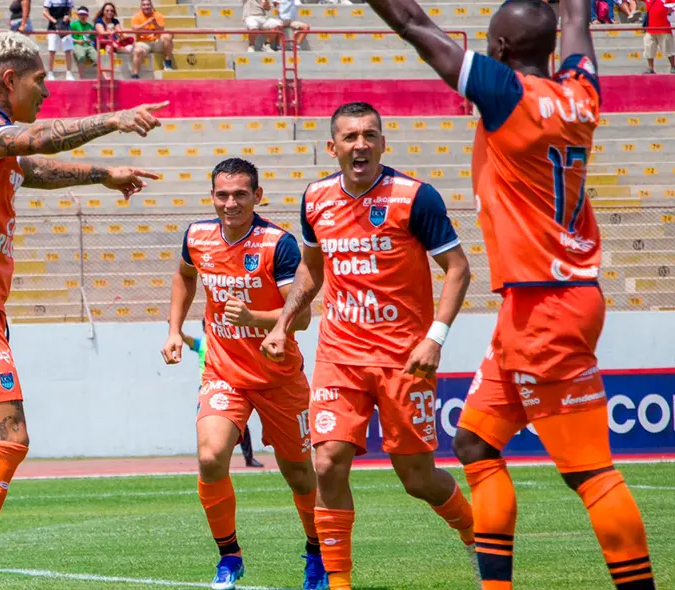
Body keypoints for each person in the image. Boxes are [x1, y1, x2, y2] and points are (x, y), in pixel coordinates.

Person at [356, 0, 657, 588]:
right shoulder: (581, 93)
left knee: (589, 472)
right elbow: (576, 16)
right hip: (545, 301)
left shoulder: (508, 94)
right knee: (474, 441)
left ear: (497, 51)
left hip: (547, 305)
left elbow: (414, 25)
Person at [0, 31, 167, 590]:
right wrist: (114, 118)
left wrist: (104, 173)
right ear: (9, 80)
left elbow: (37, 169)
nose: (46, 91)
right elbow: (41, 141)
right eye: (40, 80)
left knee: (0, 442)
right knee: (9, 438)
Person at [262, 102, 475, 590]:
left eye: (370, 135)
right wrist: (282, 323)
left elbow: (459, 269)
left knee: (418, 479)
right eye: (351, 136)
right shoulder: (315, 198)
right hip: (339, 355)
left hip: (404, 359)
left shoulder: (414, 198)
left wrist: (434, 339)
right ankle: (339, 584)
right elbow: (312, 270)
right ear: (332, 147)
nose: (361, 144)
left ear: (383, 143)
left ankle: (473, 532)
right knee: (327, 461)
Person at [162, 158, 326, 590]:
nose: (230, 203)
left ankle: (316, 554)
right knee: (211, 455)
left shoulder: (280, 244)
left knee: (299, 474)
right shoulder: (196, 236)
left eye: (239, 194)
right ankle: (230, 558)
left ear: (258, 195)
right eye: (222, 194)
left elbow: (304, 316)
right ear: (211, 196)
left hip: (279, 377)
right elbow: (184, 277)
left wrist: (255, 318)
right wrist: (174, 329)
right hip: (223, 372)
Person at [181, 319, 265, 469]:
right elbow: (188, 340)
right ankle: (207, 458)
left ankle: (249, 457)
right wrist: (177, 331)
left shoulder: (226, 341)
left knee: (241, 425)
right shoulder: (203, 343)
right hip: (207, 387)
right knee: (205, 425)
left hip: (228, 386)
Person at [130, 0, 173, 78]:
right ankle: (135, 75)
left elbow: (161, 30)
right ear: (141, 6)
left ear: (151, 6)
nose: (146, 6)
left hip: (156, 41)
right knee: (137, 51)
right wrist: (147, 23)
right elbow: (135, 29)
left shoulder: (158, 15)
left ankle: (167, 63)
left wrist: (155, 23)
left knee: (167, 36)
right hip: (143, 42)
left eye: (148, 4)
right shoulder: (136, 16)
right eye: (144, 5)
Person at [42, 0, 74, 80]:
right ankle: (50, 73)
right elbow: (45, 12)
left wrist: (68, 17)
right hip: (53, 28)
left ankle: (69, 73)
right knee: (52, 51)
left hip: (65, 27)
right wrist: (56, 22)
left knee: (68, 50)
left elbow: (70, 12)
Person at [643, 0, 675, 74]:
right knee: (649, 49)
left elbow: (673, 6)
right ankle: (651, 68)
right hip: (650, 29)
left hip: (664, 28)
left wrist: (671, 10)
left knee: (669, 50)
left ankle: (673, 66)